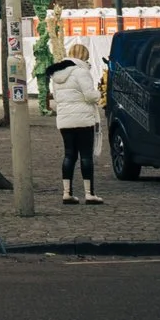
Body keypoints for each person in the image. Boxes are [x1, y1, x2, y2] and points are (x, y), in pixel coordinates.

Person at [47, 42, 103, 204]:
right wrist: (99, 93)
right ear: (84, 57)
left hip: (65, 120)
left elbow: (56, 99)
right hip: (83, 119)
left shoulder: (57, 74)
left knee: (69, 154)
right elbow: (89, 96)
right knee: (86, 155)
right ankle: (89, 193)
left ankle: (67, 193)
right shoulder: (81, 72)